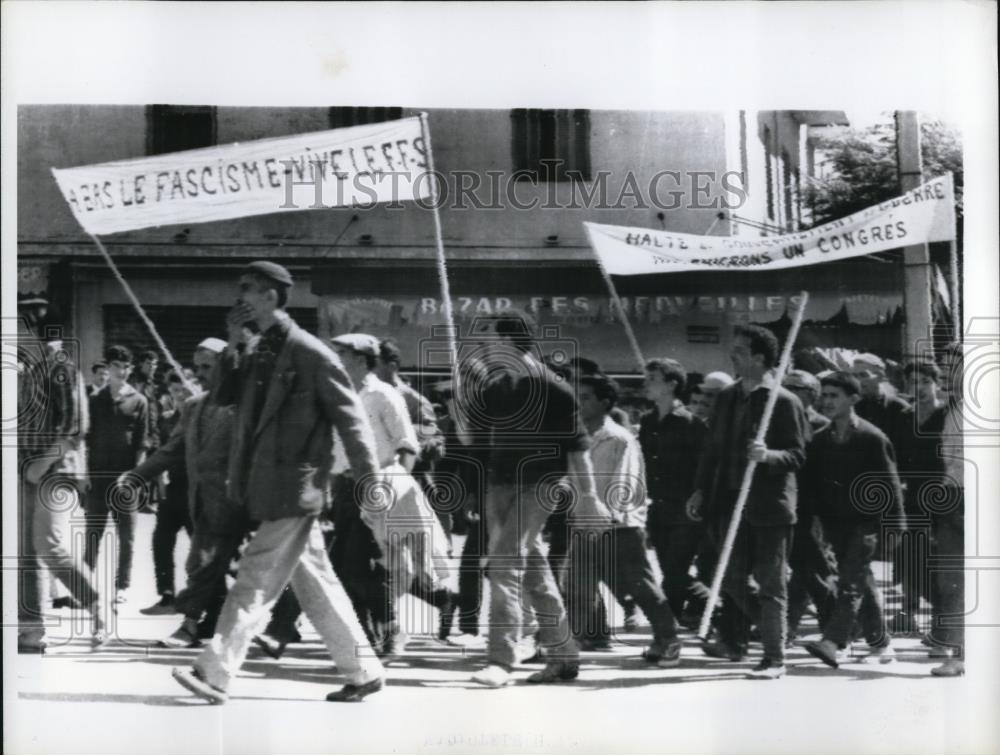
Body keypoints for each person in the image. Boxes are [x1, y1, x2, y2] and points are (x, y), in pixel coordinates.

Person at [171, 261, 385, 704]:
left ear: (270, 296)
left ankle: (215, 671)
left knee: (253, 578)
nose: (239, 297)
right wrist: (233, 341)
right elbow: (224, 396)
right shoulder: (257, 348)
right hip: (262, 487)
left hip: (296, 489)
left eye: (247, 289)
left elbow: (353, 420)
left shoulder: (310, 352)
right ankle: (363, 671)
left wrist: (369, 479)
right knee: (316, 584)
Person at [459, 311, 605, 688]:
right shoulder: (497, 386)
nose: (484, 347)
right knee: (535, 573)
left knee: (504, 565)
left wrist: (589, 497)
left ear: (508, 342)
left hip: (539, 485)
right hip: (500, 485)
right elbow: (471, 440)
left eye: (489, 339)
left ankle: (501, 661)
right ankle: (564, 655)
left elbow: (578, 450)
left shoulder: (554, 387)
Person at [687, 324, 807, 680]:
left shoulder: (784, 401)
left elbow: (798, 455)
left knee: (772, 584)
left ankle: (774, 657)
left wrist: (769, 455)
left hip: (769, 505)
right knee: (728, 576)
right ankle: (772, 631)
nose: (732, 356)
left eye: (739, 351)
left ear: (759, 358)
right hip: (727, 500)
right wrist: (699, 489)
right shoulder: (728, 397)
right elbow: (712, 449)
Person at [331, 333, 455, 652]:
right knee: (347, 568)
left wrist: (389, 487)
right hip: (343, 487)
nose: (336, 359)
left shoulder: (384, 395)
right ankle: (374, 634)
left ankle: (389, 629)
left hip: (376, 487)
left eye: (342, 354)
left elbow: (407, 446)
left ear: (361, 359)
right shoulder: (341, 393)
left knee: (359, 565)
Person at [126, 338, 248, 646]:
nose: (201, 372)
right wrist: (137, 476)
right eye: (198, 367)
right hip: (203, 504)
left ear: (226, 365)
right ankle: (195, 625)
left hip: (240, 503)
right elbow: (171, 450)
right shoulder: (193, 408)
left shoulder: (244, 408)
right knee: (203, 564)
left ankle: (279, 619)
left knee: (242, 567)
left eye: (208, 366)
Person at [565, 373, 683, 666]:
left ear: (605, 403)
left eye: (586, 398)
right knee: (578, 585)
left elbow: (626, 481)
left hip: (621, 525)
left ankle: (668, 639)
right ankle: (569, 643)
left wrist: (611, 515)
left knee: (640, 585)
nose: (579, 404)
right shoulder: (576, 438)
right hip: (584, 522)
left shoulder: (619, 438)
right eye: (576, 397)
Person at [17, 295, 107, 651]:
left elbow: (74, 427)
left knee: (49, 545)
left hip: (56, 469)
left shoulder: (60, 365)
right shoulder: (28, 368)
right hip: (28, 469)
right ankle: (30, 629)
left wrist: (41, 465)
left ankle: (97, 606)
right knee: (24, 551)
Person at [803, 372, 904, 669]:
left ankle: (832, 642)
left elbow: (890, 484)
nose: (827, 401)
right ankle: (881, 643)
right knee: (860, 581)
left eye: (835, 395)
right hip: (837, 523)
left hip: (867, 523)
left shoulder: (872, 437)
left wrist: (895, 526)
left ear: (853, 399)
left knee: (850, 582)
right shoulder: (821, 439)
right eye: (825, 395)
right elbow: (814, 484)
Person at [638, 358, 706, 621]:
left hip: (684, 509)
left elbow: (704, 465)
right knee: (668, 570)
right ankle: (675, 623)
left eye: (652, 379)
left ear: (672, 385)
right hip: (657, 507)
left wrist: (699, 494)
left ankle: (718, 606)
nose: (646, 384)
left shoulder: (691, 423)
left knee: (676, 571)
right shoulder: (648, 421)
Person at [85, 344, 150, 605]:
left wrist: (136, 477)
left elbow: (143, 443)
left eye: (125, 367)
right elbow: (86, 439)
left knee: (127, 535)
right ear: (107, 368)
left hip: (125, 478)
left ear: (130, 369)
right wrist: (85, 474)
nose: (121, 371)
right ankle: (84, 584)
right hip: (98, 477)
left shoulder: (139, 400)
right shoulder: (95, 400)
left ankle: (122, 586)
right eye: (116, 366)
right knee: (93, 533)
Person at [892, 361, 948, 635]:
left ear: (936, 383)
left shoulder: (948, 415)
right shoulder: (904, 416)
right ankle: (908, 610)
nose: (920, 388)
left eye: (925, 381)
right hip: (912, 494)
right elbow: (897, 456)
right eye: (913, 382)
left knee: (938, 557)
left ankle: (942, 619)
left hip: (943, 494)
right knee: (910, 554)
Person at [782, 369, 837, 639]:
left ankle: (835, 626)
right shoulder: (777, 422)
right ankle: (788, 626)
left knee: (812, 570)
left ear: (811, 395)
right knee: (802, 570)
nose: (788, 392)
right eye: (785, 386)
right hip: (784, 504)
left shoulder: (821, 426)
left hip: (811, 508)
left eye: (795, 388)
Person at [139, 371, 195, 615]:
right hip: (173, 488)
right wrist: (158, 478)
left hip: (197, 490)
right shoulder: (167, 419)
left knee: (203, 549)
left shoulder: (202, 416)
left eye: (183, 390)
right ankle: (167, 596)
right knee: (161, 540)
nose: (179, 395)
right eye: (174, 391)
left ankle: (207, 602)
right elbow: (161, 451)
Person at [927, 343, 965, 676]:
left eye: (952, 365)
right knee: (952, 580)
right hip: (953, 500)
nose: (944, 372)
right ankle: (960, 652)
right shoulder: (954, 409)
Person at [852, 353, 910, 452]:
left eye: (863, 375)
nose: (858, 381)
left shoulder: (899, 408)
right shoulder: (853, 409)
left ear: (880, 376)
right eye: (855, 376)